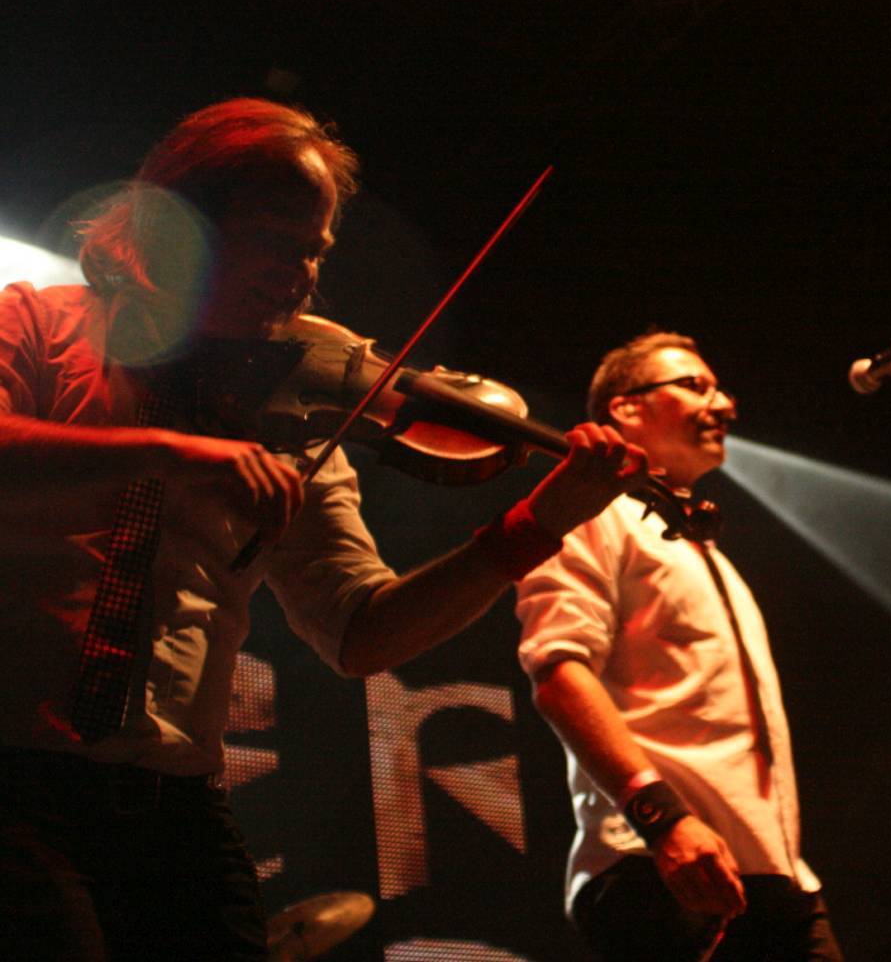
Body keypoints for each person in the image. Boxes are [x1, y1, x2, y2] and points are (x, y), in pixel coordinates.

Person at [0, 98, 650, 960]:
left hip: (174, 802)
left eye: (315, 251)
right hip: (16, 782)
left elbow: (362, 632)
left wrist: (539, 523)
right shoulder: (37, 323)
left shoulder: (295, 415)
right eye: (277, 241)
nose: (301, 277)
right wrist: (173, 452)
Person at [516, 331, 841, 962]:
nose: (725, 405)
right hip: (658, 865)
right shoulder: (590, 513)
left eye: (719, 389)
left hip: (772, 880)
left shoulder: (701, 549)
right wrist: (662, 819)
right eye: (695, 386)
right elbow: (558, 673)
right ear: (625, 408)